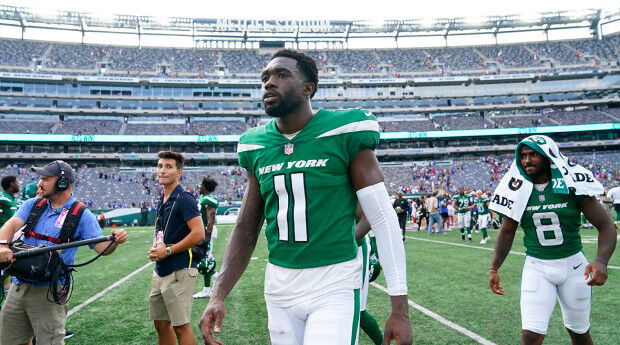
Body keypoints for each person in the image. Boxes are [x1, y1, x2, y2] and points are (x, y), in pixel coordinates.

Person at [199, 49, 411, 345]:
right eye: (266, 78)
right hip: (279, 285)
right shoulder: (255, 144)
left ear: (308, 87)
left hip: (334, 280)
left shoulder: (343, 130)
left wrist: (399, 309)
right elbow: (246, 228)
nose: (269, 83)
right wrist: (218, 296)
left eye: (282, 75)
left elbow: (383, 217)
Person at [488, 135, 616, 345]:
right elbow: (507, 230)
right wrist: (494, 268)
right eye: (523, 156)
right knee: (530, 336)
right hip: (536, 266)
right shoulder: (518, 189)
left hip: (574, 266)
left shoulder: (571, 185)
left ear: (548, 156)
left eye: (533, 155)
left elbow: (606, 226)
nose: (526, 160)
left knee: (579, 333)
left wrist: (601, 261)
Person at [0, 160, 127, 345]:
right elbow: (11, 224)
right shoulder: (33, 204)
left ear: (62, 183)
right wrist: (3, 245)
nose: (39, 184)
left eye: (45, 179)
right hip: (18, 286)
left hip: (49, 292)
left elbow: (101, 248)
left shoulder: (81, 214)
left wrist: (115, 241)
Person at [148, 151, 205, 345]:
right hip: (162, 269)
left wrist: (169, 250)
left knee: (181, 326)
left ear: (179, 172)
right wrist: (157, 248)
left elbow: (199, 234)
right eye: (160, 166)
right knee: (161, 324)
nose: (162, 170)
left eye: (168, 166)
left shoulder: (184, 197)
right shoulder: (163, 197)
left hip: (180, 268)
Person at [194, 177, 220, 299]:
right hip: (202, 231)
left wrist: (207, 237)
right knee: (202, 258)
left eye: (201, 185)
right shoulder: (203, 198)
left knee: (204, 260)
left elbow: (210, 219)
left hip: (207, 232)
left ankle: (207, 289)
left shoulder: (208, 199)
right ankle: (216, 277)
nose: (199, 187)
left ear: (205, 187)